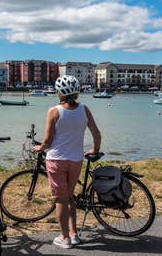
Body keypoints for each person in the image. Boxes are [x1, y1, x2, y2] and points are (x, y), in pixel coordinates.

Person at [33, 75, 101, 249]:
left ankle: (64, 239)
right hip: (76, 159)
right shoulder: (84, 109)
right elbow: (96, 133)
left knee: (61, 200)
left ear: (59, 92)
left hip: (56, 159)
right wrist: (94, 149)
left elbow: (48, 140)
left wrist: (39, 147)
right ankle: (74, 234)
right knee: (69, 196)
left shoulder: (54, 111)